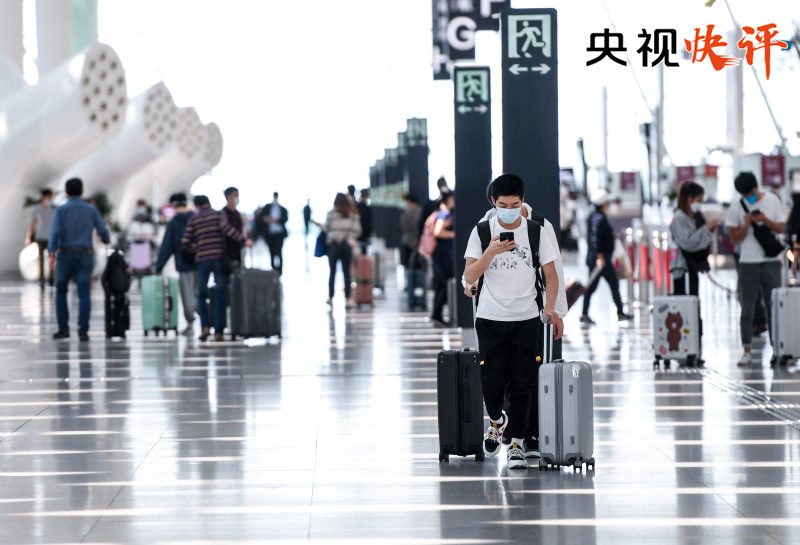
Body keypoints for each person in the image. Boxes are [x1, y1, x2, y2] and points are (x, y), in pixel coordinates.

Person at [463, 173, 562, 469]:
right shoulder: (482, 232)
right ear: (494, 202)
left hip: (526, 318)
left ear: (523, 202)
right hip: (490, 318)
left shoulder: (536, 231)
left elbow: (551, 275)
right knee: (491, 382)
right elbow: (470, 275)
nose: (509, 210)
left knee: (523, 383)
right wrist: (490, 252)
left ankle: (517, 444)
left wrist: (550, 307)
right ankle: (497, 421)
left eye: (515, 205)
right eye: (503, 205)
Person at [725, 171, 788, 366]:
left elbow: (781, 229)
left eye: (750, 193)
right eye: (744, 195)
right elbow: (734, 239)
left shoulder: (772, 200)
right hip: (747, 262)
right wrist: (745, 225)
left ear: (756, 187)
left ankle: (777, 349)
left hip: (771, 261)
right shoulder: (736, 207)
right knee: (747, 308)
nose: (748, 198)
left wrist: (764, 220)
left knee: (773, 307)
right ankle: (746, 349)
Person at [48, 178, 111, 341]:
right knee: (84, 293)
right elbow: (103, 230)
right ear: (82, 191)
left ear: (66, 192)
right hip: (85, 254)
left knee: (61, 291)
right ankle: (83, 331)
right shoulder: (91, 209)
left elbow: (55, 232)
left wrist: (51, 252)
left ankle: (63, 329)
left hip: (65, 254)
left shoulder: (60, 210)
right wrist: (106, 240)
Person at [182, 195, 252, 342]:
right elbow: (228, 230)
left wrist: (197, 247)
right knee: (220, 294)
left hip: (202, 260)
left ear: (196, 206)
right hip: (219, 258)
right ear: (208, 203)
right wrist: (243, 240)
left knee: (201, 294)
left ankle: (205, 327)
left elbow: (186, 241)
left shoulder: (193, 219)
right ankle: (218, 331)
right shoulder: (218, 215)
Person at [580, 189, 634, 324]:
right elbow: (595, 238)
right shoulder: (599, 218)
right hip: (601, 259)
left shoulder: (594, 216)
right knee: (606, 285)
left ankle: (587, 313)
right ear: (604, 203)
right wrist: (599, 256)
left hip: (599, 258)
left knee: (600, 286)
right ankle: (618, 313)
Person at [155, 193, 197, 335]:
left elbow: (167, 247)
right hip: (200, 262)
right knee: (198, 293)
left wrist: (159, 265)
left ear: (173, 206)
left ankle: (191, 322)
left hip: (183, 264)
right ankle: (206, 321)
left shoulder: (174, 223)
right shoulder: (195, 218)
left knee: (187, 295)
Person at [669, 181, 719, 295]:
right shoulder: (679, 217)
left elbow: (698, 241)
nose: (700, 204)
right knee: (684, 300)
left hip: (693, 266)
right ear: (689, 199)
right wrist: (706, 229)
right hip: (683, 267)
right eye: (699, 200)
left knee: (693, 298)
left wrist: (708, 230)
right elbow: (688, 243)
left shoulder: (696, 216)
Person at [320, 193, 361, 307]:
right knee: (346, 273)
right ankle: (348, 298)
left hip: (333, 246)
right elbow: (357, 231)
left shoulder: (331, 214)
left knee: (332, 272)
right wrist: (348, 237)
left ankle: (330, 297)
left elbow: (325, 228)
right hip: (346, 246)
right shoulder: (352, 215)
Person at [431, 190, 455, 325]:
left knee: (441, 284)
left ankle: (436, 314)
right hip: (443, 253)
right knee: (447, 283)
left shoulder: (439, 212)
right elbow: (438, 232)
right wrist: (454, 234)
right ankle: (437, 314)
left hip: (439, 253)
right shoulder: (444, 214)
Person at [25, 189, 55, 286]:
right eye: (49, 197)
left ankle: (51, 277)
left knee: (52, 258)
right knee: (41, 259)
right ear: (44, 197)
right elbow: (33, 223)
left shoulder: (53, 209)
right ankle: (41, 278)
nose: (50, 199)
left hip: (51, 237)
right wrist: (29, 236)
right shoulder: (36, 209)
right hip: (41, 237)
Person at [256, 192, 289, 275]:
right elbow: (260, 217)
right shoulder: (267, 207)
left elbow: (285, 219)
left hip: (279, 234)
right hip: (269, 234)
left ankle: (280, 270)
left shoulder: (282, 208)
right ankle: (273, 269)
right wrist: (265, 219)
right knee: (271, 251)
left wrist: (277, 220)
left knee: (279, 251)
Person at [221, 187, 246, 271]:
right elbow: (226, 228)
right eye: (235, 195)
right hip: (227, 251)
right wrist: (242, 239)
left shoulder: (238, 214)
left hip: (238, 250)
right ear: (228, 197)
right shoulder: (223, 213)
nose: (237, 198)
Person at [400, 193, 422, 270]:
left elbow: (414, 226)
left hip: (413, 242)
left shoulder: (416, 212)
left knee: (413, 265)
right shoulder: (411, 211)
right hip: (410, 241)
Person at [356, 188, 373, 254]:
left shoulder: (356, 207)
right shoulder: (367, 208)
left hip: (358, 233)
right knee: (363, 253)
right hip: (364, 233)